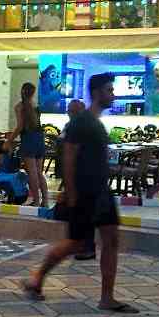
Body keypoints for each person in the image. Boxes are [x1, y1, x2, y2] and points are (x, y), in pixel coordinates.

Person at [24, 73, 139, 314]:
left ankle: (107, 298)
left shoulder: (94, 122)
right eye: (109, 90)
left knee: (111, 240)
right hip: (86, 193)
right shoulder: (82, 122)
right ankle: (36, 279)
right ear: (97, 93)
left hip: (101, 192)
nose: (113, 94)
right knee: (75, 244)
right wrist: (71, 193)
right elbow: (68, 157)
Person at [61, 99, 95, 262]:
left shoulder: (80, 128)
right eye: (68, 110)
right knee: (81, 216)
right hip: (81, 178)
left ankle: (85, 247)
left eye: (71, 110)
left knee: (83, 215)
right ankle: (82, 246)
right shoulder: (80, 127)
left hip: (82, 178)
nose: (68, 113)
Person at [12, 82, 48, 207]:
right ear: (33, 93)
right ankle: (45, 201)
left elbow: (20, 127)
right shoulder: (36, 106)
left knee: (32, 173)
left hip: (28, 139)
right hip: (39, 139)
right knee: (39, 173)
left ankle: (36, 202)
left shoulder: (19, 107)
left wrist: (9, 140)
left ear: (21, 92)